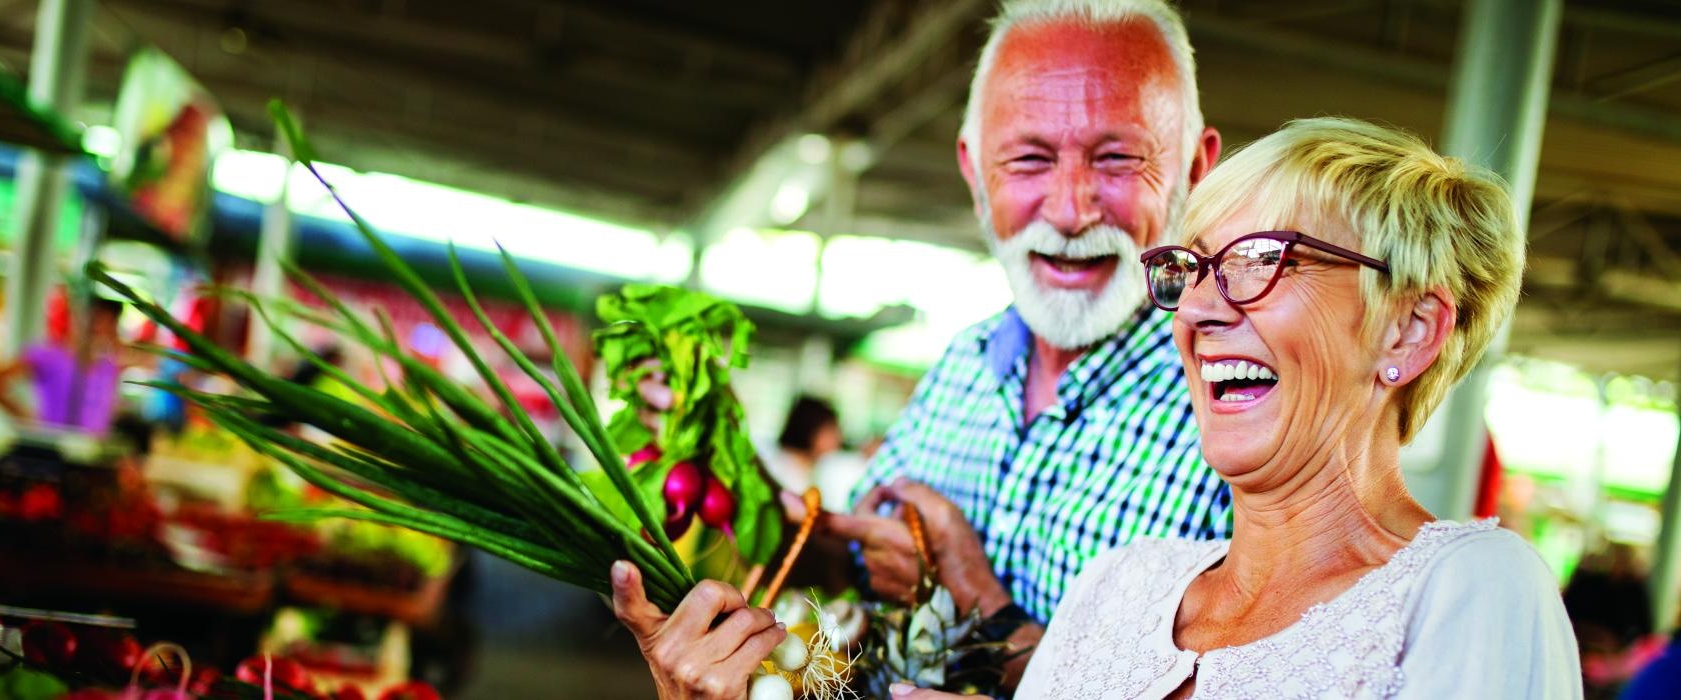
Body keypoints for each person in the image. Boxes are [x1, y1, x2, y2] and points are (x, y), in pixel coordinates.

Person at [612, 0, 1231, 694]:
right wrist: (723, 465)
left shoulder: (1237, 407)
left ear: (1195, 168)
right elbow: (856, 565)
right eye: (1028, 159)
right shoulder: (964, 363)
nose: (1068, 209)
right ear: (974, 175)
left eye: (1117, 157)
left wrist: (970, 595)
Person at [959, 117, 1572, 697]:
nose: (1198, 309)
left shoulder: (1471, 587)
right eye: (1192, 267)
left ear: (1408, 330)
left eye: (1261, 261)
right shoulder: (1119, 581)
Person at [0, 297, 126, 435]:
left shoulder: (109, 365)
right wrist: (27, 419)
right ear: (79, 316)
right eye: (96, 319)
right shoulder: (50, 355)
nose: (100, 327)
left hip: (92, 452)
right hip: (53, 449)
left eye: (109, 322)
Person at [763, 396, 842, 495]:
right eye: (831, 430)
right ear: (812, 430)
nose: (838, 437)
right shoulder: (782, 470)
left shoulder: (808, 469)